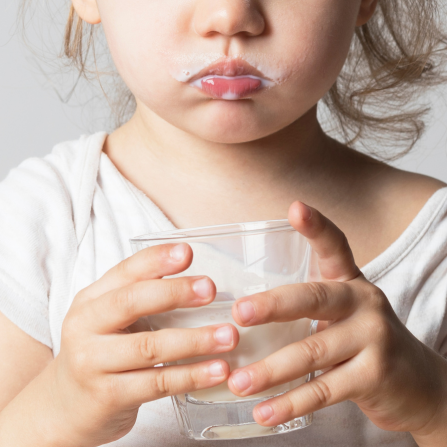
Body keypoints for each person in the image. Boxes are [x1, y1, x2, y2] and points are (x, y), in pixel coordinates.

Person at [0, 0, 447, 446]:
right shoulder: (46, 221)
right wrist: (55, 411)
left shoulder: (434, 244)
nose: (230, 15)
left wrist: (432, 403)